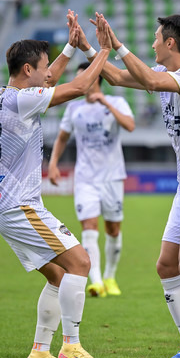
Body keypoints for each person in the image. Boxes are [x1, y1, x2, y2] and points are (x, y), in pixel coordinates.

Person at [75, 13, 180, 358]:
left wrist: (116, 45)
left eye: (156, 39)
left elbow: (146, 77)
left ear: (171, 44)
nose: (152, 45)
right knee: (166, 266)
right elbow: (115, 77)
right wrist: (89, 46)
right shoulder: (165, 77)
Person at [0, 10, 111, 358]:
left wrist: (71, 49)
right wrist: (101, 50)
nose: (47, 73)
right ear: (28, 72)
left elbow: (54, 76)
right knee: (81, 262)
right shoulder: (21, 101)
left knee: (60, 276)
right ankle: (71, 347)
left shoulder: (2, 95)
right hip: (20, 206)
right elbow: (79, 87)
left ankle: (40, 352)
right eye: (41, 68)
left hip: (5, 207)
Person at [48, 62, 135, 298]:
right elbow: (63, 137)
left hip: (112, 177)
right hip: (86, 178)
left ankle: (110, 276)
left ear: (95, 78)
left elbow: (130, 126)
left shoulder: (116, 102)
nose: (78, 83)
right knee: (89, 226)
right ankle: (95, 281)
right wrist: (53, 163)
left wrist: (104, 102)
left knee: (113, 229)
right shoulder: (74, 109)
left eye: (82, 77)